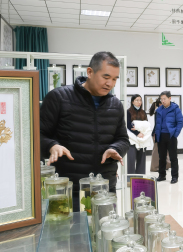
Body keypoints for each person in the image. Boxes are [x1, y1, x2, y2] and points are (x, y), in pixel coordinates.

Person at [40, 51, 129, 211]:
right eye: (106, 77)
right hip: (68, 189)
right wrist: (52, 146)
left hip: (104, 187)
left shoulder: (115, 105)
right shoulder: (59, 98)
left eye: (115, 79)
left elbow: (123, 139)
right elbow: (36, 136)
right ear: (89, 72)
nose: (110, 83)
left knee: (106, 225)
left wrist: (115, 148)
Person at [154, 91, 183, 184]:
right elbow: (157, 124)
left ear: (169, 98)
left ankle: (174, 177)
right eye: (161, 99)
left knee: (173, 158)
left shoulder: (176, 109)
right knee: (161, 157)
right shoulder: (158, 110)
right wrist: (156, 135)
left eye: (164, 99)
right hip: (161, 136)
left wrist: (175, 134)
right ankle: (162, 175)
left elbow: (180, 122)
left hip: (171, 136)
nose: (162, 101)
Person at [127, 95, 152, 174]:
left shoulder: (143, 112)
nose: (139, 102)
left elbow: (147, 124)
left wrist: (141, 132)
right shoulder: (128, 112)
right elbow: (129, 125)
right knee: (131, 159)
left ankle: (140, 177)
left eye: (140, 100)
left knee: (141, 159)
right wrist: (137, 133)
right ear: (132, 102)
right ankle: (130, 177)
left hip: (142, 138)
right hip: (132, 138)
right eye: (137, 100)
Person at [148, 98, 162, 174]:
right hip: (156, 133)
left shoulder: (160, 110)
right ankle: (154, 167)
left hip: (160, 133)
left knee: (163, 150)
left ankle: (164, 166)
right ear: (160, 104)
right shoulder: (158, 111)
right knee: (156, 151)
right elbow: (157, 124)